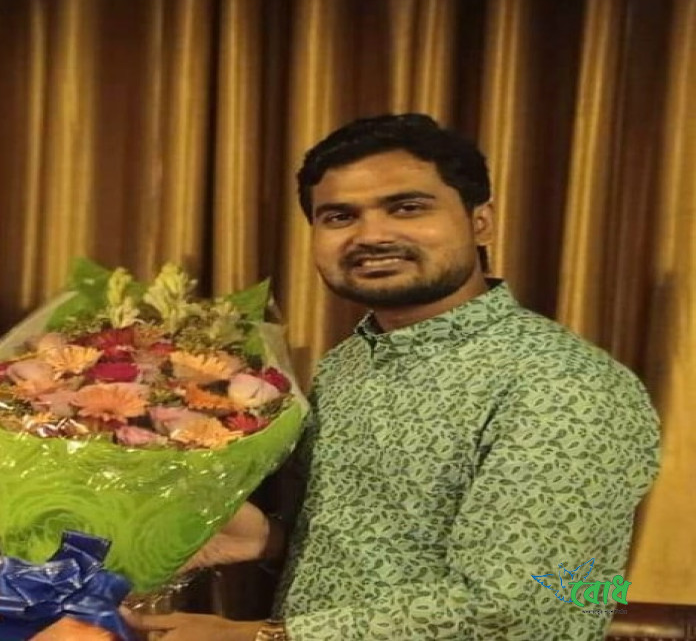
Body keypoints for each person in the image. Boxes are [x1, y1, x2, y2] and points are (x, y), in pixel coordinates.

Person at [131, 114, 660, 640]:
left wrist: (260, 638)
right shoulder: (347, 363)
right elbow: (386, 554)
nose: (372, 235)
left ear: (481, 222)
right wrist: (271, 540)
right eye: (340, 216)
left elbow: (521, 608)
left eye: (407, 207)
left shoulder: (565, 385)